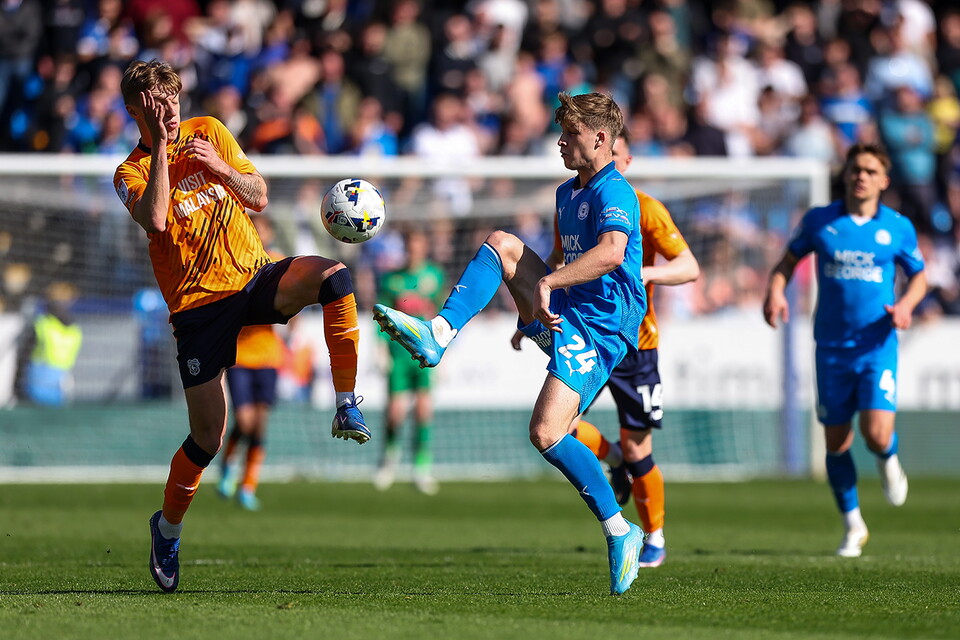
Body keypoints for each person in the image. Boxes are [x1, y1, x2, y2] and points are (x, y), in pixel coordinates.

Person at [374, 92, 647, 596]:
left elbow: (610, 253)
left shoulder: (617, 192)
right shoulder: (567, 194)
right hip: (568, 314)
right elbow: (560, 254)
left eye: (570, 133)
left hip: (603, 327)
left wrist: (549, 283)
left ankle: (620, 530)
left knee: (546, 432)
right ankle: (437, 334)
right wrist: (531, 302)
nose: (561, 141)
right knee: (502, 244)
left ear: (601, 138)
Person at [113, 59, 370, 593]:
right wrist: (162, 147)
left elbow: (259, 196)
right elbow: (156, 219)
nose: (171, 117)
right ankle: (167, 528)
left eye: (174, 105)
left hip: (252, 278)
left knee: (335, 278)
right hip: (197, 309)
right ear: (136, 112)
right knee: (209, 437)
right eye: (157, 110)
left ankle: (347, 401)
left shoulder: (210, 132)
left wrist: (221, 169)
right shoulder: (130, 171)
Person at [512, 131, 700, 569]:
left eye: (615, 154)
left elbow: (689, 266)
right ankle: (612, 461)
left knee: (638, 449)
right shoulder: (573, 201)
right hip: (585, 330)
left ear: (625, 158)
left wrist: (645, 273)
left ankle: (654, 535)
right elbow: (561, 261)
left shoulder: (645, 208)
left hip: (635, 342)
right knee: (564, 426)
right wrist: (533, 314)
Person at [763, 142, 927, 558]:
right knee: (835, 442)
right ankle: (854, 525)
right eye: (856, 169)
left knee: (875, 434)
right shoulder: (821, 221)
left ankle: (888, 459)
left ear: (884, 180)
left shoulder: (898, 227)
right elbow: (785, 263)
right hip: (831, 348)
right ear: (846, 174)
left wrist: (906, 305)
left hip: (876, 345)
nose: (861, 176)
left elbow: (920, 277)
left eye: (871, 170)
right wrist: (776, 292)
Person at [217, 214, 285, 511]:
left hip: (269, 355)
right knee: (244, 421)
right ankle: (229, 462)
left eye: (265, 229)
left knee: (260, 425)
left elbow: (295, 293)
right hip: (240, 354)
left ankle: (248, 486)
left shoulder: (278, 262)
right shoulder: (235, 259)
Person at [373, 228, 446, 495]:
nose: (414, 249)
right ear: (405, 247)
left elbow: (444, 315)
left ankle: (421, 466)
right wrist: (380, 348)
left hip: (425, 351)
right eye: (410, 244)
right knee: (395, 412)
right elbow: (379, 314)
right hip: (398, 352)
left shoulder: (435, 276)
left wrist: (445, 352)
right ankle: (389, 457)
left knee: (423, 410)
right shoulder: (392, 279)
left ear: (424, 246)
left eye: (418, 244)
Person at [20, 282, 84, 407]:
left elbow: (24, 355)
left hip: (36, 384)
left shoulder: (42, 324)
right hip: (60, 384)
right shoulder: (75, 330)